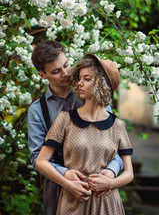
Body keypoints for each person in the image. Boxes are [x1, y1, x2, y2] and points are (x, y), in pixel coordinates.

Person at [28, 41, 123, 214]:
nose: (66, 74)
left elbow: (115, 145)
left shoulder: (94, 91)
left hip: (99, 185)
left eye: (66, 65)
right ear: (42, 74)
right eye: (56, 71)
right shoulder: (37, 110)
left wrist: (111, 172)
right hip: (58, 185)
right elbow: (37, 157)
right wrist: (66, 175)